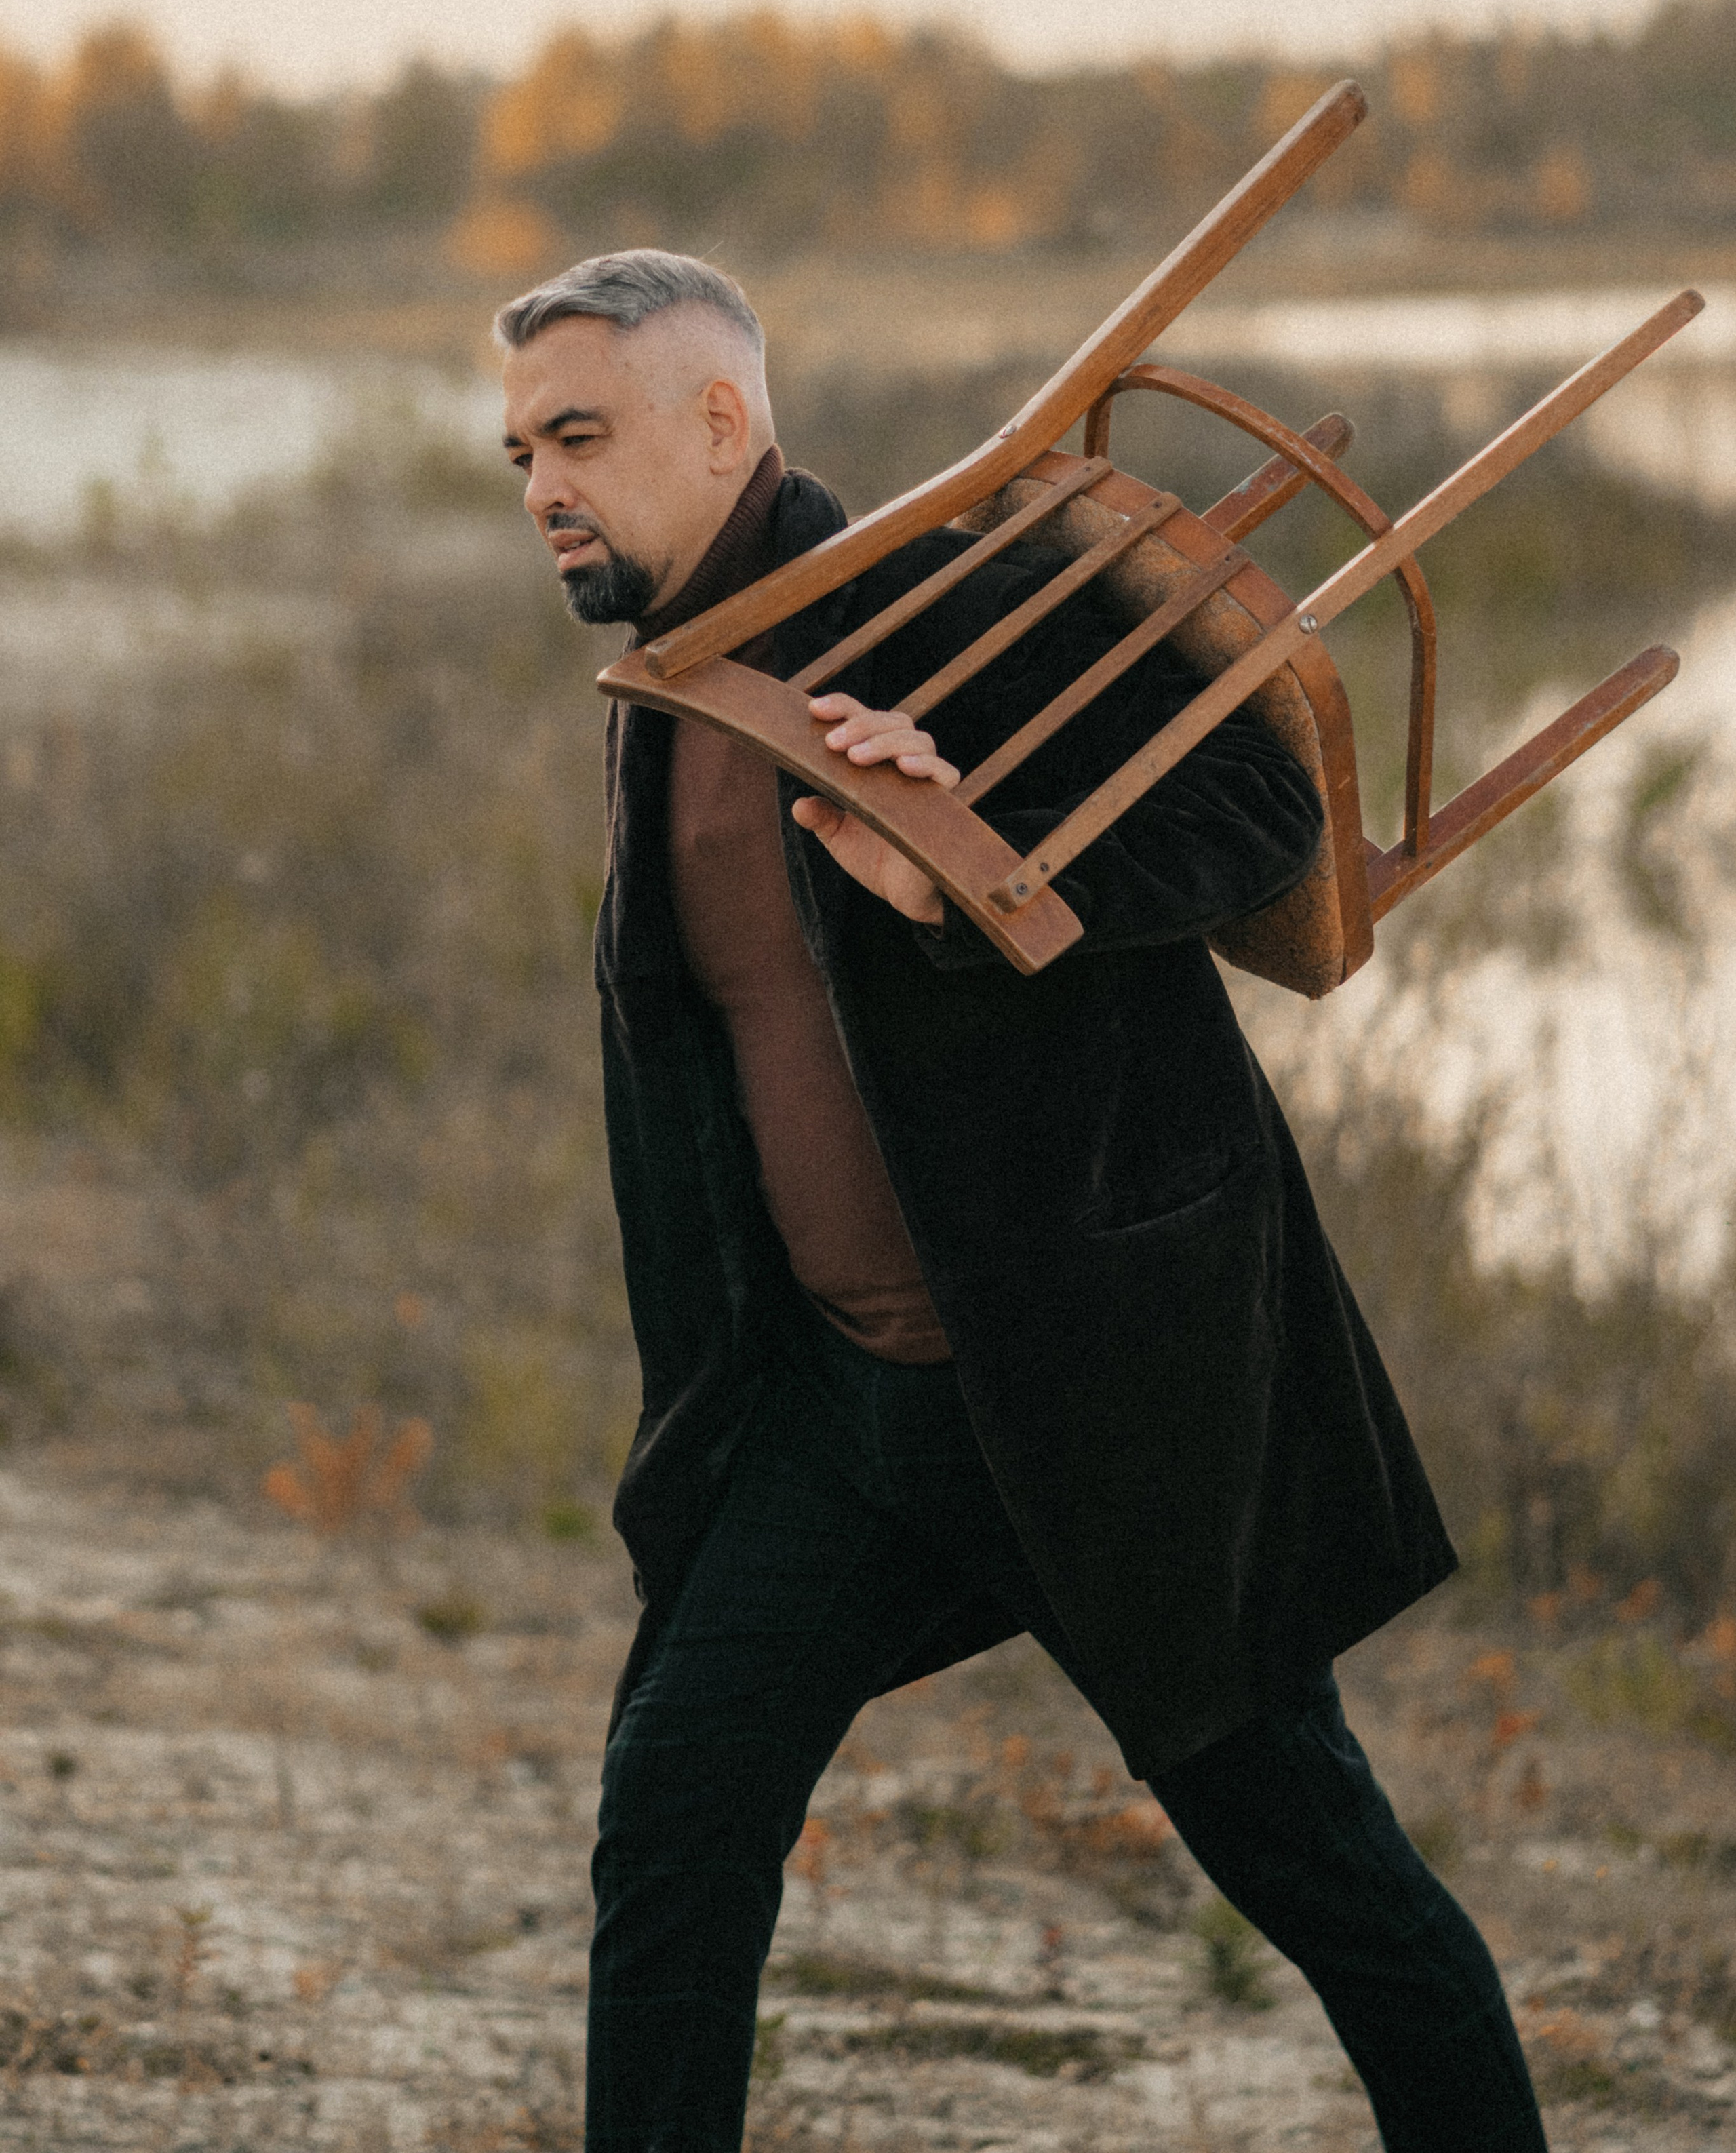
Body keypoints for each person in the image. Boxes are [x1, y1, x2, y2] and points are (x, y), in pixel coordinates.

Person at [496, 248, 1546, 2152]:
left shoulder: (954, 592)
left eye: (578, 434)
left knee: (1319, 1870)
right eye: (517, 454)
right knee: (675, 1815)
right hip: (830, 1413)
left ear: (724, 421)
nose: (542, 483)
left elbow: (1258, 822)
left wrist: (967, 850)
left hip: (1091, 1390)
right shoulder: (663, 682)